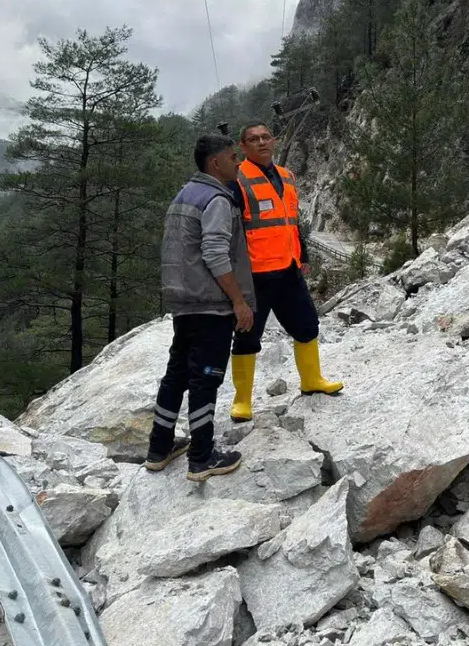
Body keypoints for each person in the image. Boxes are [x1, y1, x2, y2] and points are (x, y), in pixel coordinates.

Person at [144, 133, 256, 481]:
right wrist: (239, 301)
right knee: (206, 378)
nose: (238, 162)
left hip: (183, 301)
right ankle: (202, 457)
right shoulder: (217, 200)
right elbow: (215, 253)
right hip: (210, 304)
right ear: (215, 163)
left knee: (177, 373)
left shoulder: (184, 195)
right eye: (233, 156)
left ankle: (159, 448)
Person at [228, 121, 343, 422]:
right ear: (243, 147)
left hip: (289, 268)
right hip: (254, 275)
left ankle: (311, 380)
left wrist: (302, 252)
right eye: (253, 139)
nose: (261, 142)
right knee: (247, 335)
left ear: (274, 141)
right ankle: (242, 401)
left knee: (307, 325)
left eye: (266, 137)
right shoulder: (236, 180)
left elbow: (291, 220)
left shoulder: (287, 177)